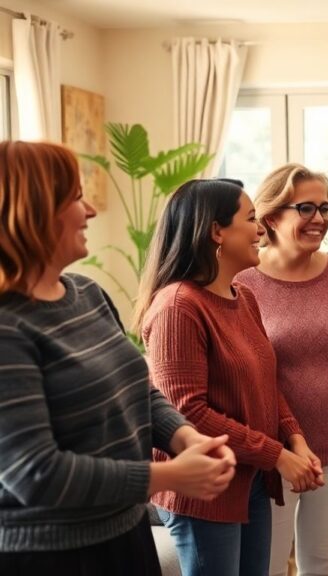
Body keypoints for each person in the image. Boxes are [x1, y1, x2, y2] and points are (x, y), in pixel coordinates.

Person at [0, 141, 235, 575]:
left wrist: (185, 438)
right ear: (33, 211)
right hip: (50, 557)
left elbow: (140, 392)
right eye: (74, 197)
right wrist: (167, 477)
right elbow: (37, 474)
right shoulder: (8, 328)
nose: (89, 210)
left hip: (124, 535)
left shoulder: (87, 294)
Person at [136, 178, 324, 576]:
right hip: (206, 490)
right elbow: (188, 412)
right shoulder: (178, 307)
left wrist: (296, 439)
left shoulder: (245, 297)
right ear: (217, 231)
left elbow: (266, 383)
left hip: (250, 478)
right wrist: (277, 455)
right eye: (252, 218)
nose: (260, 230)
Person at [237, 164, 328, 576]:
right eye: (305, 208)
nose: (319, 219)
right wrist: (280, 449)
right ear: (270, 218)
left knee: (323, 562)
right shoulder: (243, 281)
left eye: (326, 208)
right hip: (275, 453)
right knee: (267, 564)